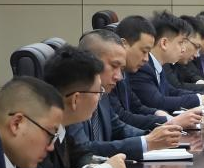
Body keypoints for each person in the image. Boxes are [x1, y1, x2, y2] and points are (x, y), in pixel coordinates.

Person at [67, 29, 183, 159]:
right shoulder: (70, 97)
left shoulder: (103, 92)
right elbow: (83, 149)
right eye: (114, 66)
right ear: (89, 62)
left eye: (121, 69)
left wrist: (152, 136)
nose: (119, 77)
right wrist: (146, 142)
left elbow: (118, 128)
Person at [39, 47, 129, 168]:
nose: (100, 98)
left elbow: (80, 153)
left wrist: (91, 167)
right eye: (98, 92)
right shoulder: (38, 131)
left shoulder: (64, 124)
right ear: (75, 99)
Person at [114, 16, 202, 132]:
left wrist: (159, 114)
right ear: (124, 44)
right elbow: (124, 117)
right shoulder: (134, 70)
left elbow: (138, 106)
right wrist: (170, 122)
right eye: (144, 51)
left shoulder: (129, 72)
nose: (146, 59)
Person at [128, 11, 204, 113]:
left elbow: (172, 91)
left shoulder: (158, 65)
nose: (183, 49)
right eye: (180, 43)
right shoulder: (143, 66)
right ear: (164, 43)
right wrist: (200, 99)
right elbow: (158, 102)